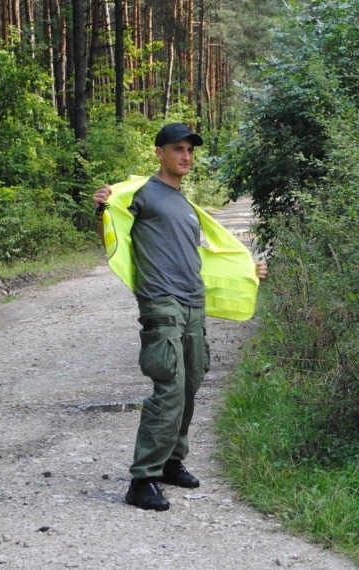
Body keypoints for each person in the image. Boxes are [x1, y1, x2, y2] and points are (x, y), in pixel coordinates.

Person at [92, 123, 268, 511]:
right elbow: (113, 212)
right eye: (177, 149)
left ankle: (172, 462)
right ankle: (142, 480)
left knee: (190, 384)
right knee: (169, 388)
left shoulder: (186, 205)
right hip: (162, 302)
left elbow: (197, 259)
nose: (185, 157)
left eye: (189, 150)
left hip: (192, 304)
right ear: (159, 152)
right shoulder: (143, 193)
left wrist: (244, 273)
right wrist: (102, 202)